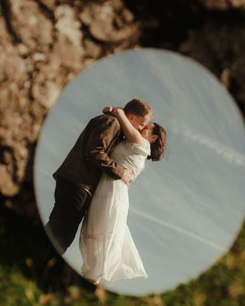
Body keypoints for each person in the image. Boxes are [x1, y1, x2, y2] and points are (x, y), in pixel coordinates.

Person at [45, 98, 152, 254]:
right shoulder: (112, 123)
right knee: (61, 236)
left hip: (76, 182)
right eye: (141, 124)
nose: (140, 129)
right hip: (78, 183)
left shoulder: (113, 123)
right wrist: (121, 172)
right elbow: (95, 152)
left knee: (58, 231)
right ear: (131, 118)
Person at [79, 105, 166, 286]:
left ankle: (95, 278)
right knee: (93, 230)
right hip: (107, 187)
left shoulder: (142, 144)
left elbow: (122, 116)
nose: (142, 128)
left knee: (102, 232)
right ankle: (91, 277)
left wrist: (114, 110)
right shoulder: (133, 141)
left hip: (112, 192)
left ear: (153, 137)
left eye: (147, 128)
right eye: (143, 125)